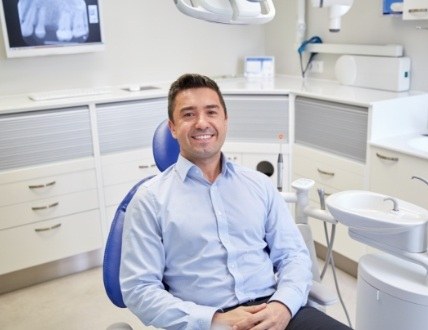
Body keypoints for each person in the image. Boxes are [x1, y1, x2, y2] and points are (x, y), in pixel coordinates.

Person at [120, 73, 351, 330]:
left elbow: (293, 255)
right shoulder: (149, 200)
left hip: (274, 311)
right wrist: (215, 321)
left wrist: (283, 305)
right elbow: (139, 289)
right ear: (172, 128)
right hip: (205, 321)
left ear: (225, 121)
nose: (201, 123)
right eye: (188, 115)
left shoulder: (259, 185)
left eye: (211, 112)